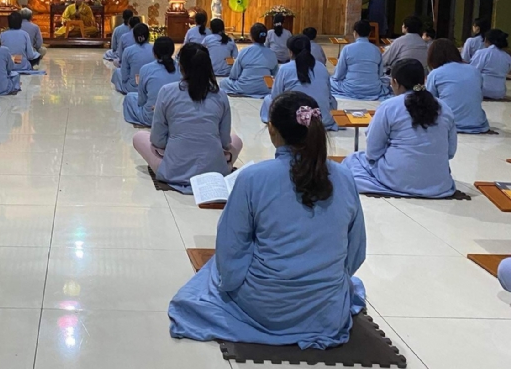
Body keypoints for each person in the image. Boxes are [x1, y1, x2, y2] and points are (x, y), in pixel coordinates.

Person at [169, 91, 366, 350]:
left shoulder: (254, 178)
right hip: (325, 310)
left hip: (265, 306)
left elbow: (231, 250)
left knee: (198, 289)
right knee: (354, 285)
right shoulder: (344, 176)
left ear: (272, 130)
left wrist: (229, 288)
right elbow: (356, 252)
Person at [132, 43, 243, 193]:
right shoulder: (220, 94)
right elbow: (224, 141)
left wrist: (176, 141)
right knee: (236, 140)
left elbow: (157, 139)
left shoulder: (167, 91)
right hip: (214, 171)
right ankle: (224, 168)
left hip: (174, 172)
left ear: (181, 66)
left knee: (139, 137)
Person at [342, 59, 457, 198]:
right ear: (424, 79)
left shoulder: (389, 106)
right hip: (438, 182)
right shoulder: (444, 107)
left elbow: (373, 150)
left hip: (397, 178)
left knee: (354, 160)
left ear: (395, 82)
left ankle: (398, 184)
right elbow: (450, 152)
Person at [261, 35, 338, 131]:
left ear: (290, 52)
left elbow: (276, 96)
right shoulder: (321, 67)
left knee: (268, 99)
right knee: (333, 101)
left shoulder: (285, 69)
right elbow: (329, 96)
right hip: (321, 119)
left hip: (293, 120)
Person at [426, 39, 490, 134]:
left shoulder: (435, 73)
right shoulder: (474, 70)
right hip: (478, 124)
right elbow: (478, 95)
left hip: (447, 123)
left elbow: (429, 101)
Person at [122, 37, 179, 127]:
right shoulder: (181, 68)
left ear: (154, 53)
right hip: (176, 117)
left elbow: (141, 100)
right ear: (172, 51)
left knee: (129, 98)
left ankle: (141, 122)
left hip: (152, 116)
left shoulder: (146, 69)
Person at [330, 21, 392, 101]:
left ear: (355, 33)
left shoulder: (347, 49)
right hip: (373, 90)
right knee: (386, 82)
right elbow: (379, 74)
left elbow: (338, 74)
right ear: (369, 33)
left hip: (350, 89)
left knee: (330, 80)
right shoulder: (376, 50)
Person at [220, 23, 279, 98]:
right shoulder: (272, 53)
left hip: (244, 87)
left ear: (251, 37)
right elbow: (276, 74)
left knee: (223, 82)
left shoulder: (244, 51)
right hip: (265, 89)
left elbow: (234, 75)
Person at [112, 23, 154, 94]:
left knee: (117, 72)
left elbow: (124, 75)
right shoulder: (154, 49)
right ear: (148, 36)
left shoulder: (128, 50)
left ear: (134, 36)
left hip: (133, 88)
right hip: (151, 86)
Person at [470, 29, 511, 100]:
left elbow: (472, 71)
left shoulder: (482, 53)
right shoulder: (507, 57)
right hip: (500, 92)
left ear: (486, 40)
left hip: (483, 90)